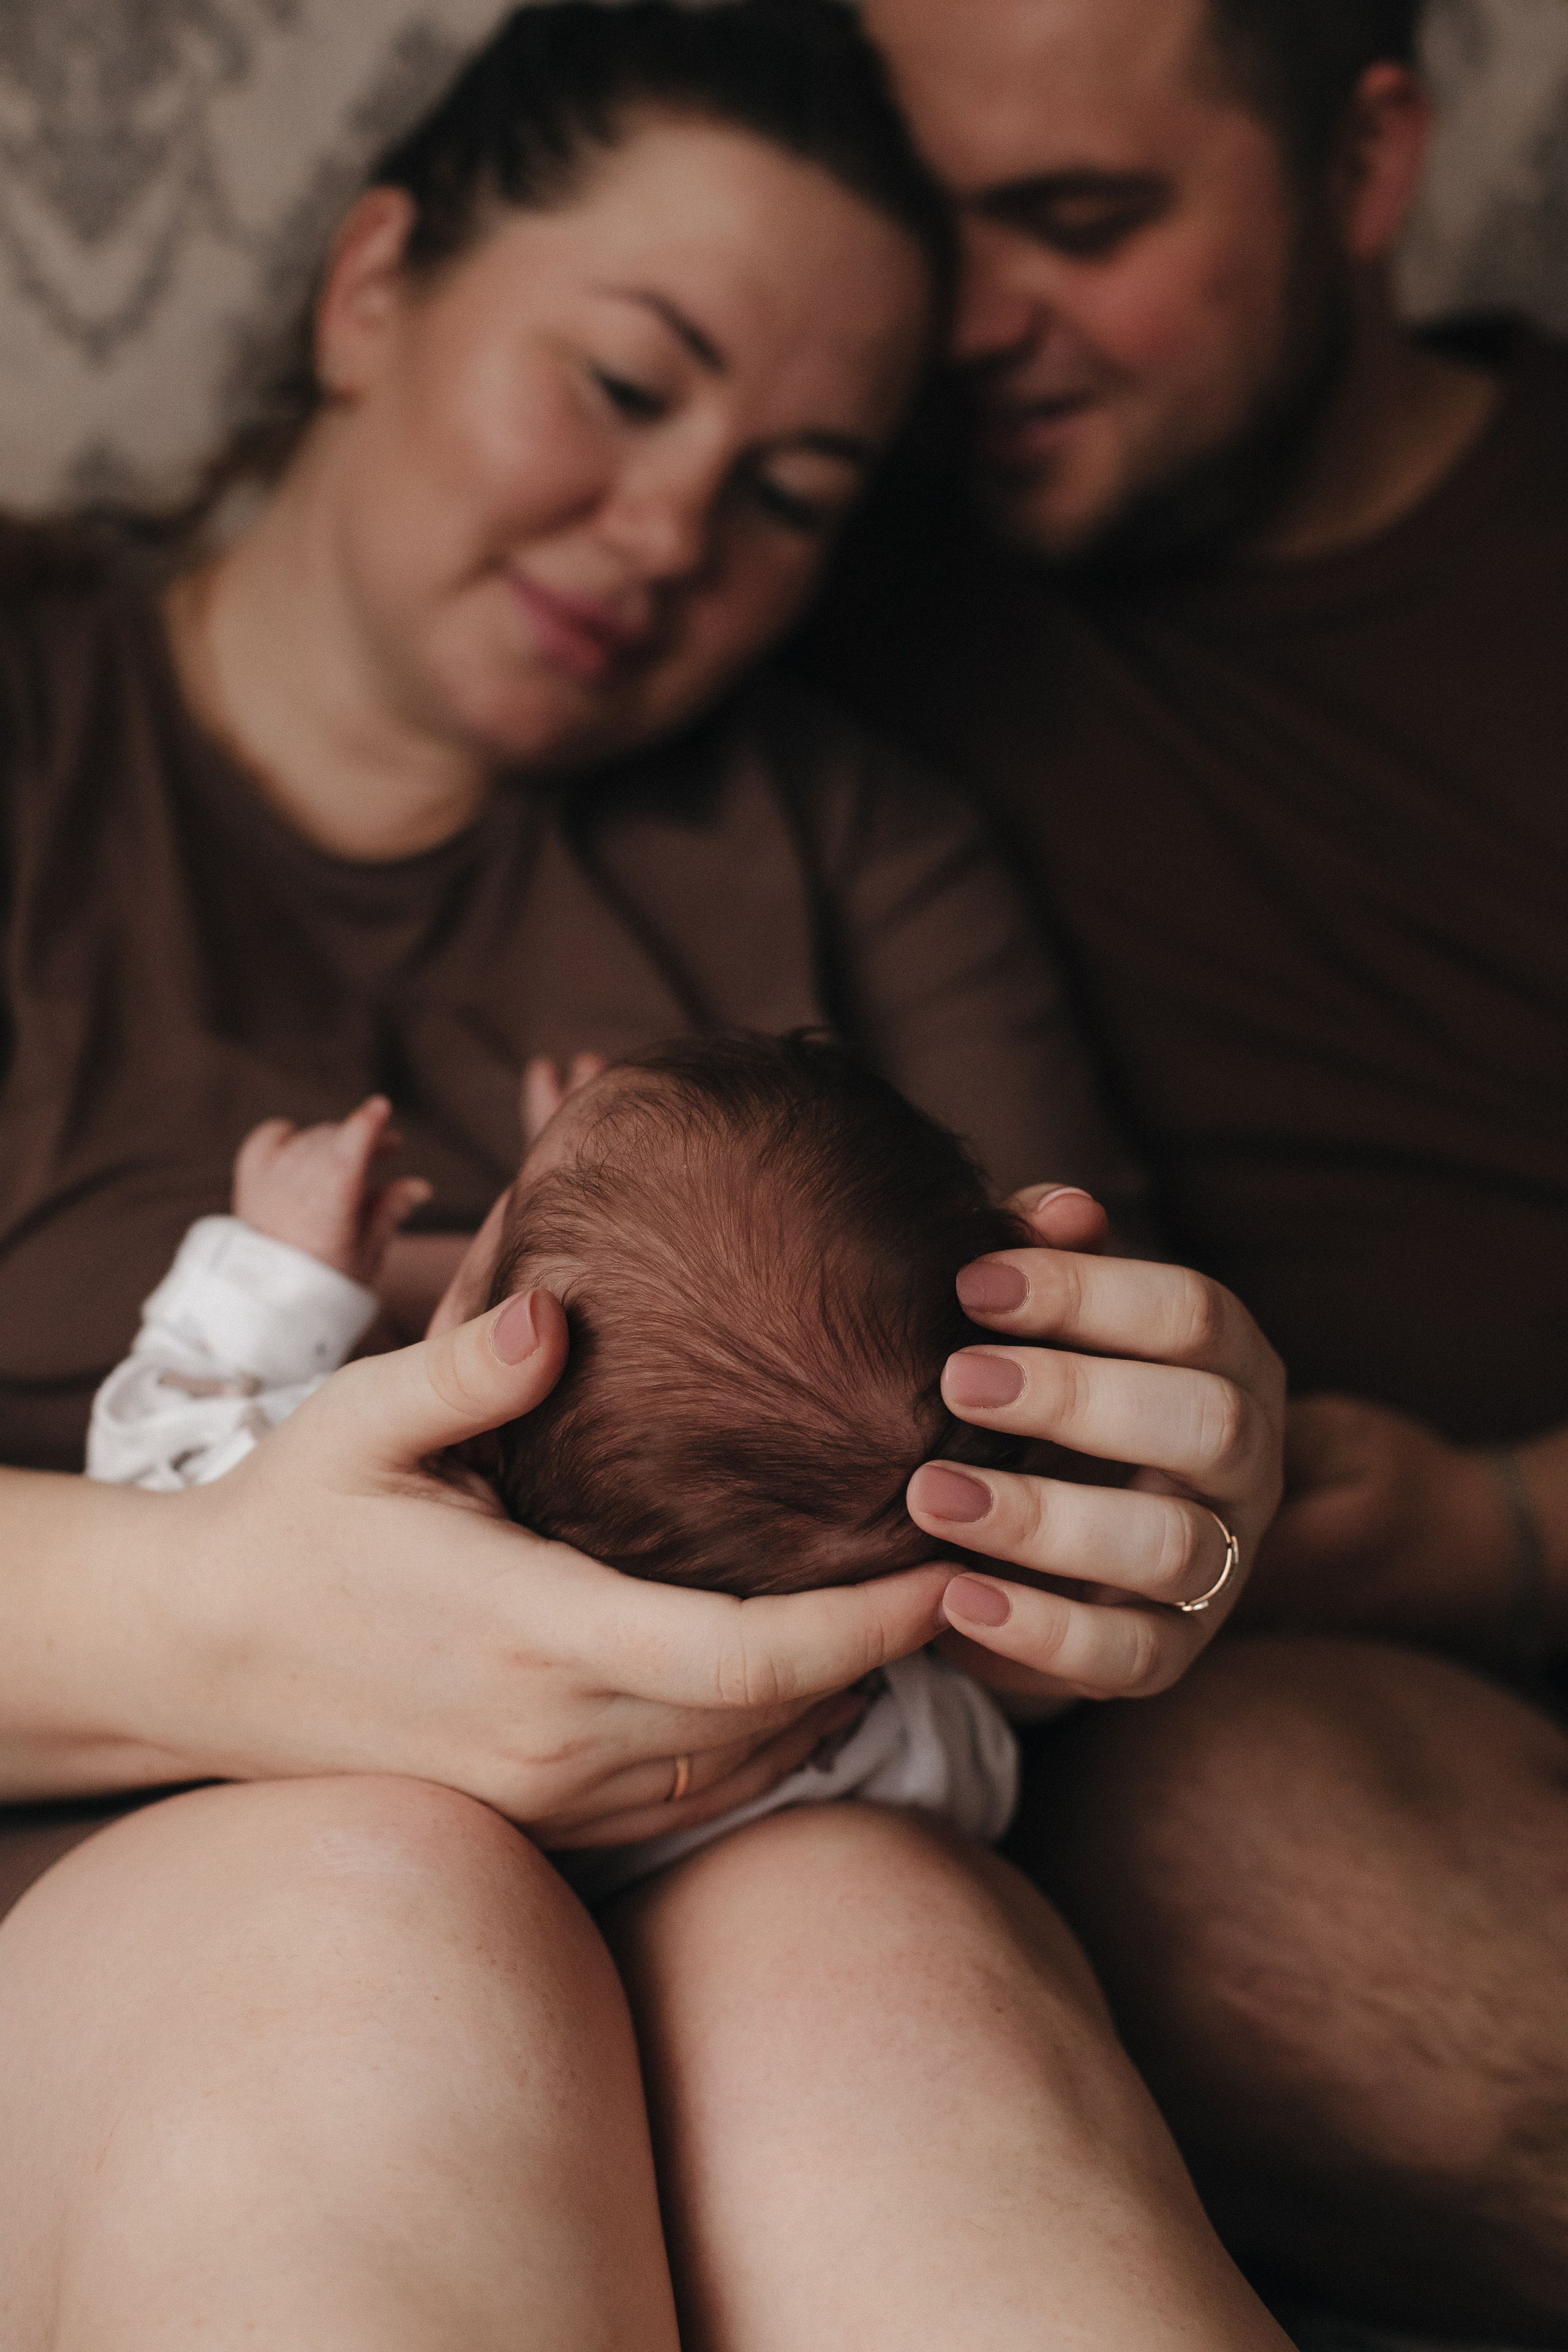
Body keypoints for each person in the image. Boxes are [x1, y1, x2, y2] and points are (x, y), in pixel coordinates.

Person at [0, 5, 1291, 2346]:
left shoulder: (858, 848)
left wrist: (1162, 1498)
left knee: (883, 1977)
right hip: (121, 1873)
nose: (676, 525)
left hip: (763, 1850)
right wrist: (206, 1627)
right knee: (373, 1927)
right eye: (626, 382)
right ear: (374, 281)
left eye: (796, 491)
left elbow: (1040, 1501)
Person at [801, 0, 1568, 2334]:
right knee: (1250, 1870)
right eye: (929, 227)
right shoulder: (816, 564)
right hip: (1298, 1686)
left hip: (1505, 1525)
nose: (969, 318)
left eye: (1083, 222)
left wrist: (1515, 1520)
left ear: (1366, 166)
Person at [88, 1040, 1037, 1901]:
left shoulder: (335, 1564)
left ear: (489, 1386)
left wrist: (279, 1267)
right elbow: (982, 1774)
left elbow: (161, 1462)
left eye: (504, 1221)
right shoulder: (854, 1721)